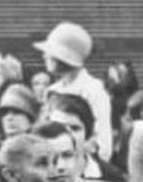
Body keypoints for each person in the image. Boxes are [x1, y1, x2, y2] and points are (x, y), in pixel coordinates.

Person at [35, 21, 114, 159]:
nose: (44, 56)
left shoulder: (93, 90)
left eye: (50, 52)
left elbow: (104, 146)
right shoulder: (52, 91)